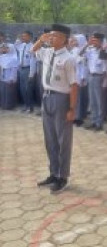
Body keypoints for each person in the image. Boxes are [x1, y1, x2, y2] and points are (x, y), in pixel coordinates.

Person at [33, 24, 78, 194]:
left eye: (55, 36)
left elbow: (74, 85)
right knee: (50, 138)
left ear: (64, 39)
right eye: (50, 36)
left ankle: (63, 177)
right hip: (47, 97)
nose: (51, 38)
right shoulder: (47, 52)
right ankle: (53, 173)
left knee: (63, 140)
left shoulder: (69, 58)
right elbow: (32, 50)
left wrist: (72, 108)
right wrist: (40, 40)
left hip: (61, 99)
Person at [82, 33, 106, 131]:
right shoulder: (90, 50)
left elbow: (105, 67)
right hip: (91, 76)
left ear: (100, 41)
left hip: (99, 77)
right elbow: (80, 53)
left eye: (95, 40)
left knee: (99, 101)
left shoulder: (104, 51)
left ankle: (99, 123)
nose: (93, 42)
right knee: (92, 101)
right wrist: (87, 44)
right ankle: (93, 121)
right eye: (93, 40)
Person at [16, 30, 36, 113]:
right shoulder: (22, 45)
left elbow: (33, 61)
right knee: (22, 89)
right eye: (22, 36)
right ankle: (26, 105)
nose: (23, 37)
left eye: (25, 36)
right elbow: (15, 45)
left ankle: (30, 107)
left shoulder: (33, 47)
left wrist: (31, 74)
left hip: (28, 69)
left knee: (28, 89)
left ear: (30, 37)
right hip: (21, 69)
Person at [0, 43, 19, 110]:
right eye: (4, 48)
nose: (5, 49)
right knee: (3, 91)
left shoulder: (14, 58)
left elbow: (14, 69)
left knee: (9, 92)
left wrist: (12, 78)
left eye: (7, 48)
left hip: (9, 76)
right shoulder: (2, 56)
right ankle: (3, 105)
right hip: (2, 76)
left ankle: (10, 106)